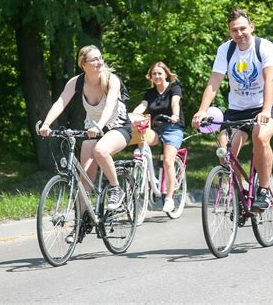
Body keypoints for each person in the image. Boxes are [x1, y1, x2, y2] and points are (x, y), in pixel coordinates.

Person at [192, 8, 273, 210]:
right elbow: (214, 81)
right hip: (237, 109)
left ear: (252, 27)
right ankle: (239, 193)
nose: (239, 33)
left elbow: (270, 79)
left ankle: (264, 191)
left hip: (266, 104)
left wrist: (266, 111)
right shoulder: (226, 50)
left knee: (260, 137)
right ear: (229, 32)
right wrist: (202, 110)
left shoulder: (264, 46)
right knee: (226, 153)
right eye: (235, 30)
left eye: (243, 28)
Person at [40, 45, 131, 217]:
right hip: (92, 127)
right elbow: (60, 102)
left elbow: (110, 107)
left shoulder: (112, 80)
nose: (99, 62)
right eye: (94, 59)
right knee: (84, 180)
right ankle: (81, 222)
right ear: (83, 64)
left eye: (100, 58)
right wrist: (46, 124)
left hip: (117, 126)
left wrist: (99, 126)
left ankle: (116, 188)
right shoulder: (76, 82)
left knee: (101, 150)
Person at [131, 62, 185, 213]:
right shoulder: (150, 92)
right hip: (156, 128)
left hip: (173, 127)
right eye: (154, 74)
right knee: (140, 134)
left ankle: (169, 198)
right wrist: (134, 115)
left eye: (159, 73)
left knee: (168, 161)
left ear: (166, 74)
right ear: (151, 76)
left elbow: (175, 102)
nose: (157, 76)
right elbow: (142, 106)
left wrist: (174, 115)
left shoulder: (174, 87)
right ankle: (146, 171)